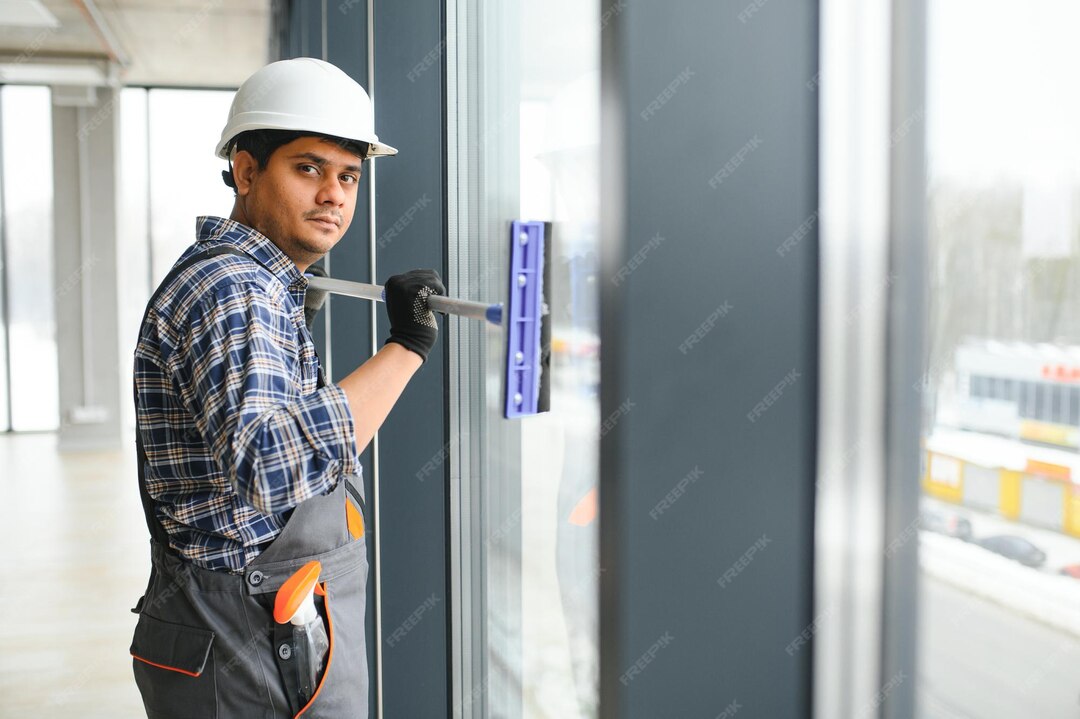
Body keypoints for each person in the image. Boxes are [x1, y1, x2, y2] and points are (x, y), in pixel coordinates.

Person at [128, 57, 443, 718]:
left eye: (349, 176)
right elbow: (271, 465)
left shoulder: (246, 282)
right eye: (308, 168)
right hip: (248, 646)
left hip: (241, 631)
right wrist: (405, 348)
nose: (334, 194)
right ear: (246, 170)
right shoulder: (238, 290)